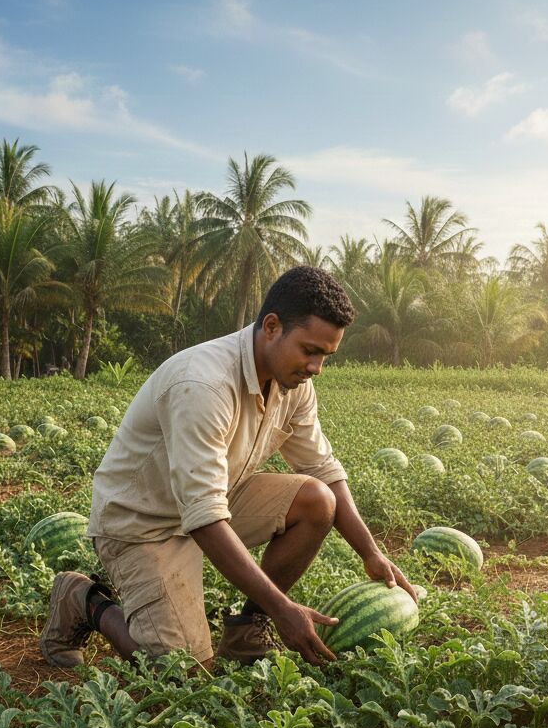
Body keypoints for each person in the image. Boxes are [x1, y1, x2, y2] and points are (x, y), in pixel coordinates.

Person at [41, 265, 416, 672]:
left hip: (212, 500)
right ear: (271, 326)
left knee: (316, 501)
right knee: (183, 671)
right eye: (310, 350)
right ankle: (83, 600)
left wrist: (371, 552)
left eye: (326, 355)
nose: (316, 368)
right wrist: (283, 607)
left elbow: (322, 468)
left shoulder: (294, 385)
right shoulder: (202, 385)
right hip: (142, 524)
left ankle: (247, 629)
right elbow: (204, 519)